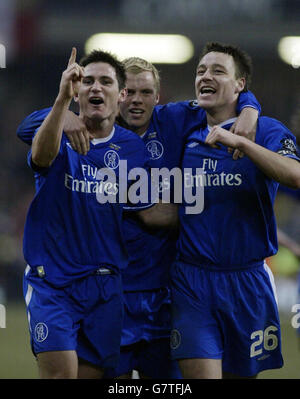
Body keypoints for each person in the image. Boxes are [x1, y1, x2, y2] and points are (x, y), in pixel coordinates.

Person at [17, 55, 261, 379]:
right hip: (91, 285)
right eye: (129, 92)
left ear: (156, 98)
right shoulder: (72, 129)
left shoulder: (160, 129)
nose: (135, 100)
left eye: (144, 93)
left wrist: (250, 108)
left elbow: (219, 96)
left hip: (153, 292)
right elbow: (28, 132)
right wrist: (61, 113)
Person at [20, 47, 177, 379]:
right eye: (87, 80)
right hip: (54, 283)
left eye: (105, 81)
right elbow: (41, 157)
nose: (96, 87)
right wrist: (61, 105)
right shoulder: (54, 132)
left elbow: (147, 212)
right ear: (76, 89)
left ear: (119, 95)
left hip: (105, 288)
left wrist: (209, 211)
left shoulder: (132, 149)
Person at [170, 41, 300, 379]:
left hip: (247, 281)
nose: (205, 77)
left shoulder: (267, 130)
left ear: (240, 85)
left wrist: (244, 142)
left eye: (217, 71)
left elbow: (295, 175)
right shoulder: (182, 127)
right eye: (200, 71)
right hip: (192, 281)